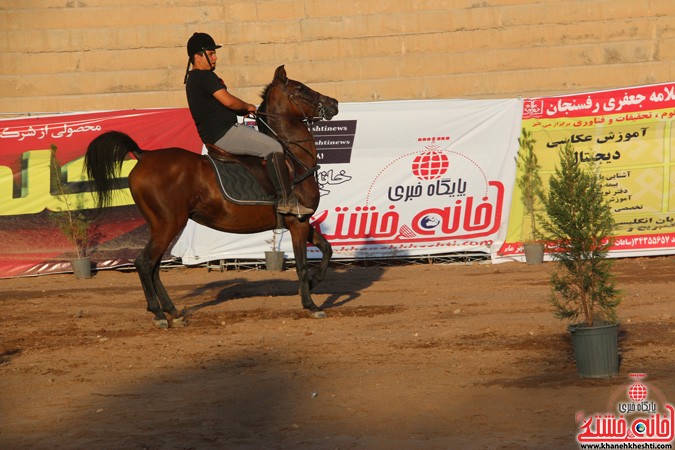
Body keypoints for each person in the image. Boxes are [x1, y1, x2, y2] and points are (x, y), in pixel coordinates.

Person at [184, 32, 313, 216]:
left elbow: (219, 107)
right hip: (224, 133)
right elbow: (228, 101)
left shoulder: (193, 79)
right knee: (274, 147)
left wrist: (241, 110)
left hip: (217, 133)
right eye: (211, 54)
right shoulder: (204, 77)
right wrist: (247, 106)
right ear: (198, 56)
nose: (215, 57)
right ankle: (286, 200)